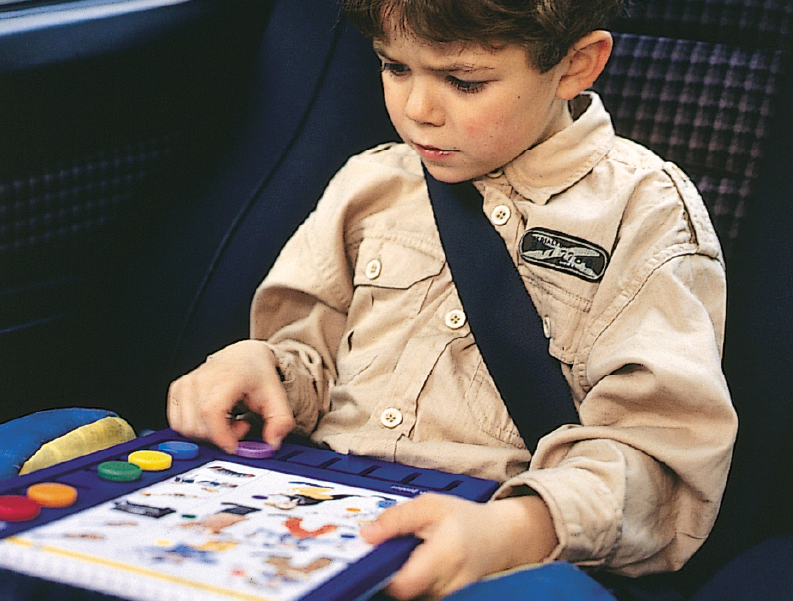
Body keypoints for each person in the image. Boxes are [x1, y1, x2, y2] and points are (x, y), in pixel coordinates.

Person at [167, 0, 738, 598]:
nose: (417, 111)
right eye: (394, 68)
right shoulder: (373, 185)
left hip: (496, 545)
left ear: (575, 66)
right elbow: (311, 363)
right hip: (318, 511)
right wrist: (264, 369)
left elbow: (657, 455)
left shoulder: (642, 213)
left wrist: (517, 529)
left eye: (464, 82)